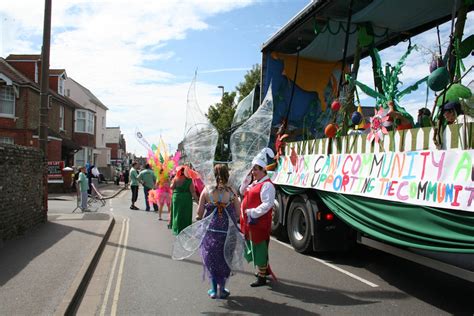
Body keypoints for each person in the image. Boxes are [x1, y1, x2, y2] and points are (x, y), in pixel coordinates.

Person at [195, 164, 241, 299]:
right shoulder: (232, 192)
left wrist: (201, 217)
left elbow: (199, 213)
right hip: (228, 231)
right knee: (226, 258)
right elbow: (238, 213)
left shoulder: (207, 190)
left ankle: (214, 290)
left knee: (212, 259)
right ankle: (223, 289)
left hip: (211, 231)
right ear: (227, 174)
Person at [240, 148, 276, 287]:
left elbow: (268, 204)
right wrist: (247, 178)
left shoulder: (267, 185)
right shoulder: (255, 183)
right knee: (254, 247)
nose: (253, 172)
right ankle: (263, 271)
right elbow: (242, 191)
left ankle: (261, 277)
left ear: (263, 170)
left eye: (256, 169)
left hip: (259, 224)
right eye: (253, 169)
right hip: (251, 224)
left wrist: (252, 212)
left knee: (259, 248)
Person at [170, 165, 199, 235]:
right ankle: (185, 229)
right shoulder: (189, 180)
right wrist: (198, 202)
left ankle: (177, 229)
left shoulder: (175, 178)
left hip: (176, 197)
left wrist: (171, 182)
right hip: (186, 198)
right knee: (186, 213)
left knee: (177, 213)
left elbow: (172, 187)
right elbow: (193, 192)